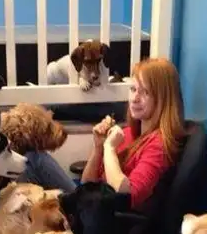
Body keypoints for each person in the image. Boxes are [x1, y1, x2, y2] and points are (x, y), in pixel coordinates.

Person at [18, 56, 187, 210]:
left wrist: (109, 148)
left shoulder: (158, 145)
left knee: (32, 164)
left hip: (105, 217)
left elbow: (127, 195)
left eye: (145, 92)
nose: (135, 98)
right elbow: (86, 183)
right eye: (133, 89)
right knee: (32, 158)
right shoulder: (128, 133)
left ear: (163, 98)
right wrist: (99, 148)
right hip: (90, 203)